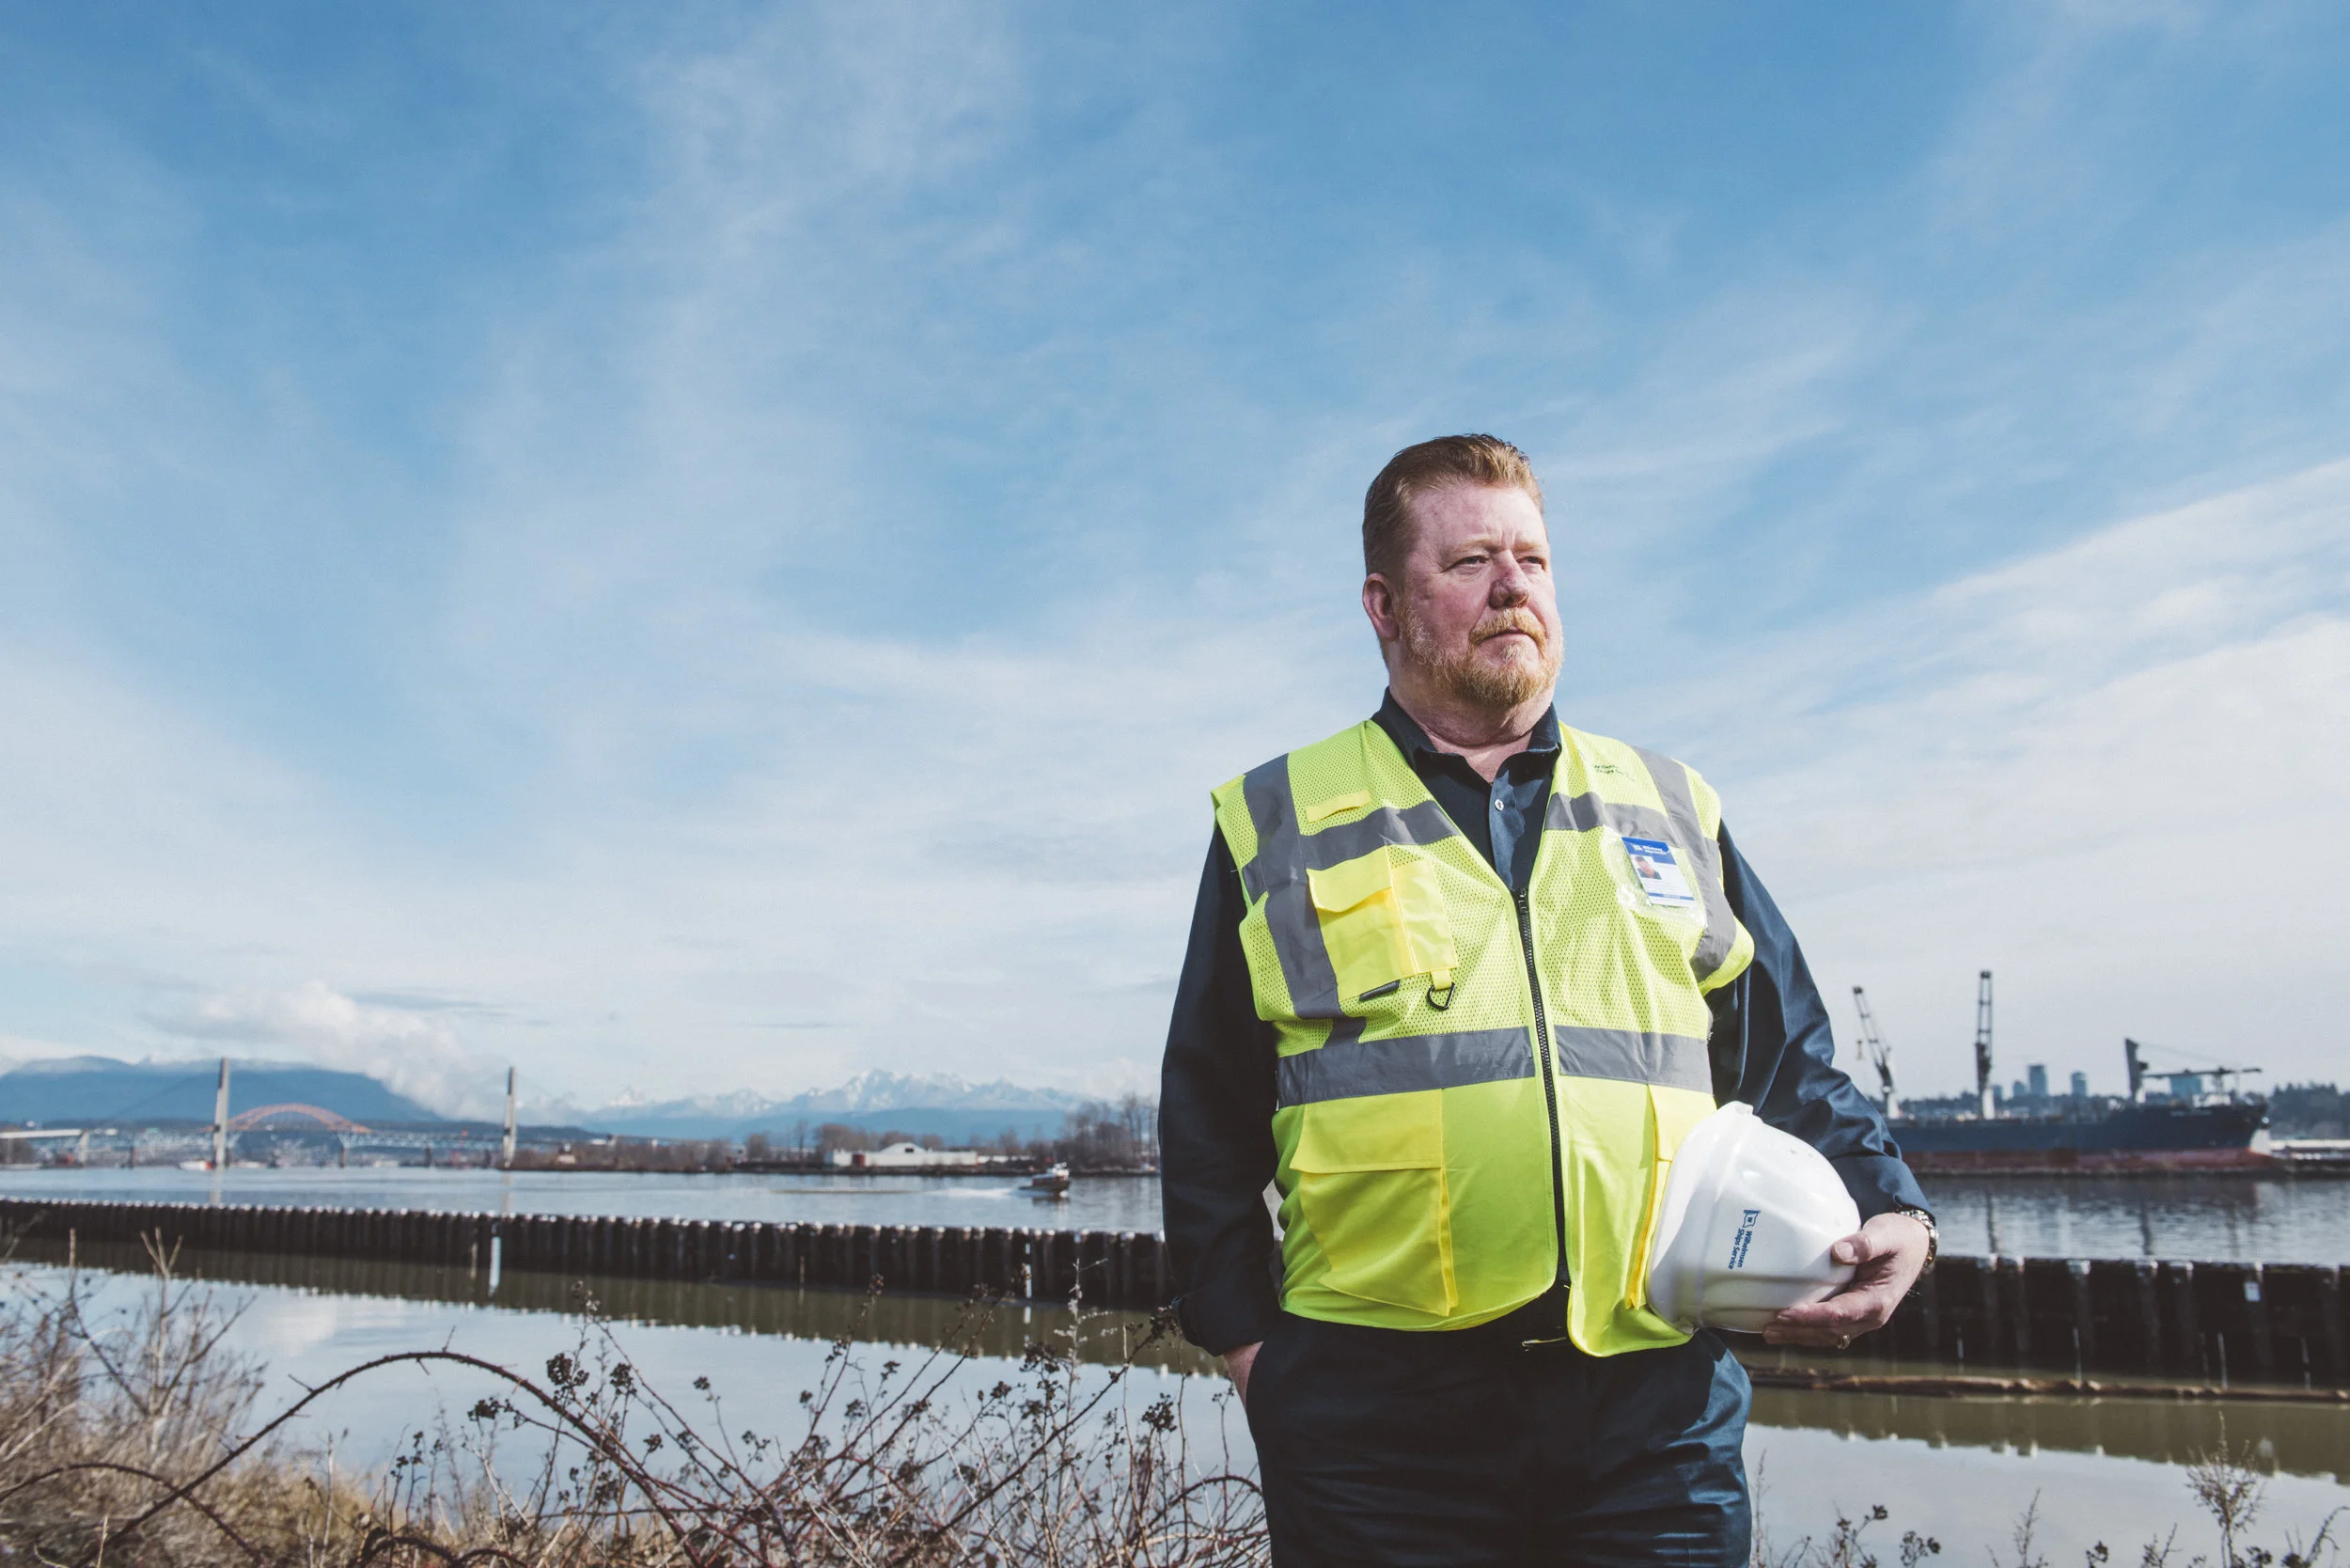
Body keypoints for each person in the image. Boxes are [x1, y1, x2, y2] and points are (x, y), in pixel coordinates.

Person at [1159, 435, 1935, 1567]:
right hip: (1374, 1421)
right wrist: (1249, 1351)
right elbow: (1206, 1112)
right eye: (1470, 561)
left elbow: (1788, 1062)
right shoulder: (1278, 817)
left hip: (1653, 1413)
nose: (1511, 586)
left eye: (1531, 559)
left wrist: (1896, 1210)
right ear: (1384, 606)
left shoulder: (1668, 804)